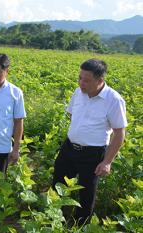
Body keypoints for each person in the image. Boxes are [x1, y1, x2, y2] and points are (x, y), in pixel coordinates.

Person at [52, 58, 128, 224]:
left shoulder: (114, 100)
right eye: (80, 78)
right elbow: (72, 115)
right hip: (69, 148)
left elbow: (119, 133)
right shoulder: (78, 93)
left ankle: (80, 226)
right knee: (57, 186)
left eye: (86, 80)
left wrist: (107, 162)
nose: (81, 83)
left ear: (100, 80)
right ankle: (55, 222)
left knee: (86, 195)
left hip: (93, 154)